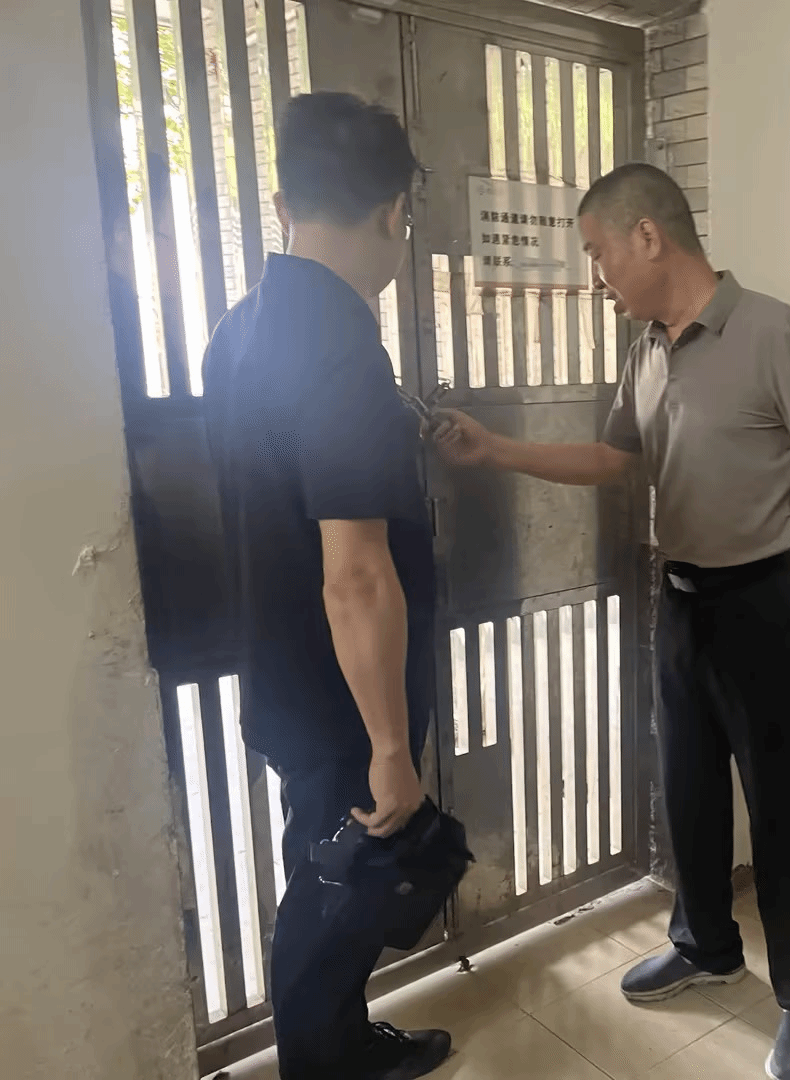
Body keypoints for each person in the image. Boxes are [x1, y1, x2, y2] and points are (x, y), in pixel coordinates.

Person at [433, 162, 790, 1080]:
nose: (596, 276)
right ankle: (706, 945)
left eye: (597, 254)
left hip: (767, 602)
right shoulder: (648, 351)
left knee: (784, 806)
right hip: (683, 600)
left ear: (648, 236)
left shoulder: (774, 332)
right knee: (688, 785)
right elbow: (611, 457)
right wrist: (496, 449)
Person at [202, 92, 451, 1080]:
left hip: (283, 673)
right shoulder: (342, 350)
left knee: (326, 866)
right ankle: (321, 1062)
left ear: (282, 204)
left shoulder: (239, 332)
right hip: (344, 694)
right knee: (336, 888)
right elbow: (354, 574)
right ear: (395, 212)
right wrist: (389, 746)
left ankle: (340, 1043)